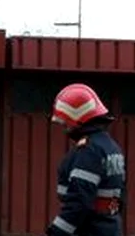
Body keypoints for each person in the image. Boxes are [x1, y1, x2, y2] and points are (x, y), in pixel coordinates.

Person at [46, 83, 125, 236]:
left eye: (65, 123)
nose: (65, 128)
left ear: (77, 118)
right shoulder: (111, 148)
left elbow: (79, 202)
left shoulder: (89, 151)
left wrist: (56, 232)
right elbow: (120, 198)